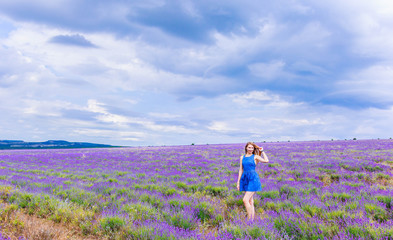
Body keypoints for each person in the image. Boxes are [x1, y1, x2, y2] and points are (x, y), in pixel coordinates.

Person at [236, 142, 269, 221]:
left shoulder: (255, 157)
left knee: (245, 200)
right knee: (250, 201)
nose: (251, 149)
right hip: (245, 178)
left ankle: (249, 219)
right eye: (249, 147)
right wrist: (238, 182)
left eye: (252, 148)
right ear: (246, 148)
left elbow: (266, 160)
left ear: (254, 149)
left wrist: (262, 151)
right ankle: (252, 220)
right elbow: (241, 170)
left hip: (253, 179)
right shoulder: (242, 157)